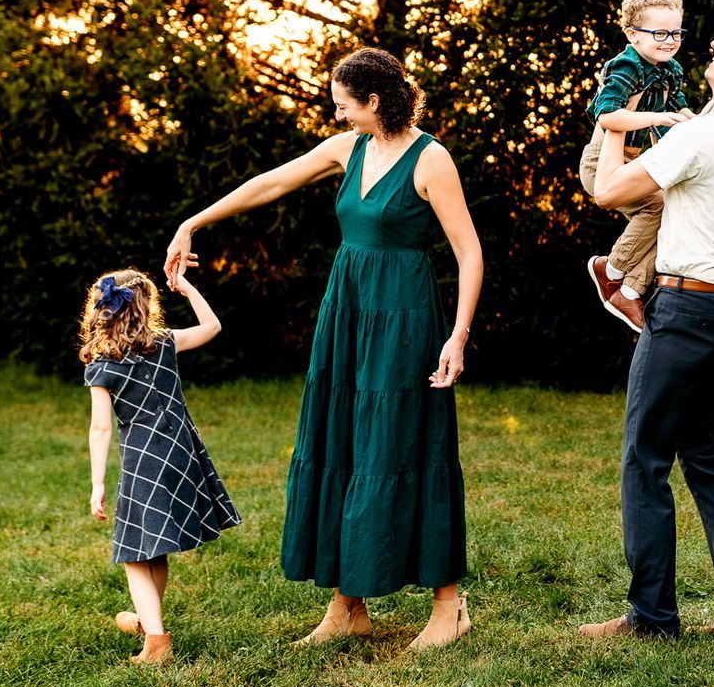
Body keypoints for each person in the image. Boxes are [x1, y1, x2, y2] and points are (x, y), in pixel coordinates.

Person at [164, 48, 482, 651]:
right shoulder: (347, 149)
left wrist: (457, 335)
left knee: (409, 442)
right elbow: (274, 181)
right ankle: (347, 604)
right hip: (348, 311)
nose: (336, 114)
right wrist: (194, 222)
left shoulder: (431, 159)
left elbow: (468, 251)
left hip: (404, 316)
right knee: (342, 439)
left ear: (375, 101)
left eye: (343, 104)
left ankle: (448, 606)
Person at [576, 18, 714, 645]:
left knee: (645, 461)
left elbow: (609, 192)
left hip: (685, 312)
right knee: (705, 460)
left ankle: (651, 618)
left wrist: (614, 121)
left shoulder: (701, 134)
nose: (711, 50)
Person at [80, 266, 240, 666]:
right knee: (156, 546)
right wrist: (186, 288)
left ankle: (156, 642)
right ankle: (147, 618)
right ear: (146, 307)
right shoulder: (165, 343)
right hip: (182, 453)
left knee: (134, 554)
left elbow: (101, 428)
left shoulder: (103, 363)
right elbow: (212, 326)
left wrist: (97, 483)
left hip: (144, 458)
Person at [578, 0, 694, 333]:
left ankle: (629, 290)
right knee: (658, 206)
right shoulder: (627, 65)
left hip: (636, 161)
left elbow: (680, 108)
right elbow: (608, 117)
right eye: (659, 33)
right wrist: (658, 119)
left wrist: (702, 125)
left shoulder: (671, 68)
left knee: (674, 210)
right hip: (603, 164)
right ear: (632, 33)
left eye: (676, 32)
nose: (669, 40)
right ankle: (610, 270)